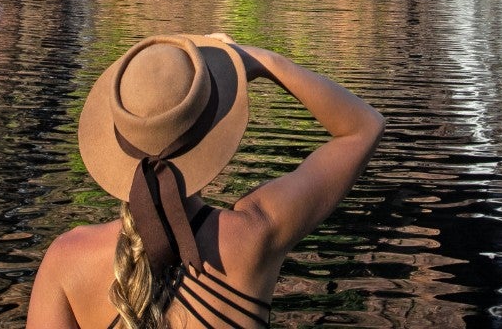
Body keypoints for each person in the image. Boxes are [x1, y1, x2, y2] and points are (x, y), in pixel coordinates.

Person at [27, 32, 384, 329]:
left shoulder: (65, 260)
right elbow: (364, 127)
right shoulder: (256, 232)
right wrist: (259, 60)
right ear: (209, 135)